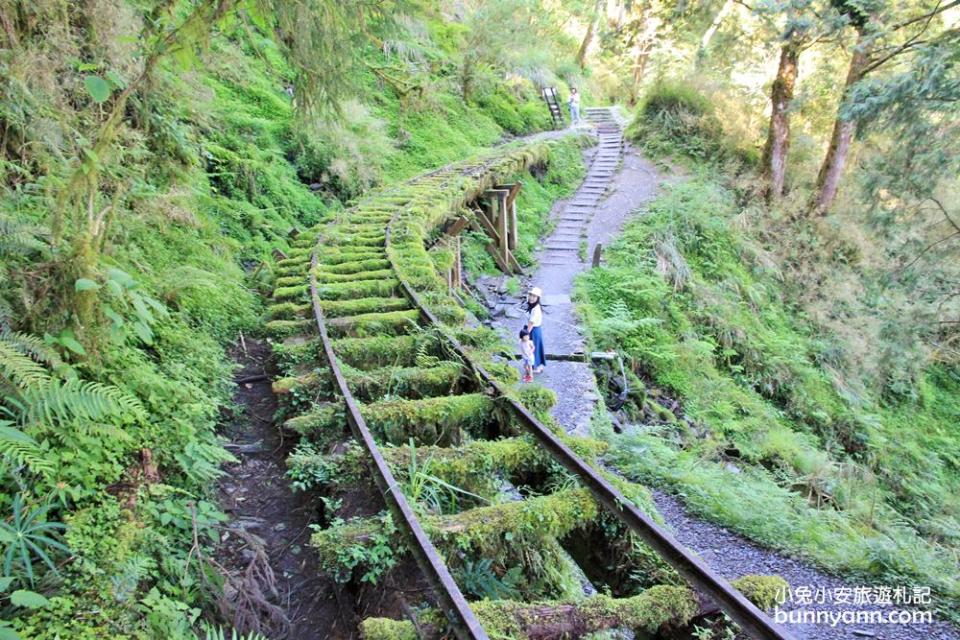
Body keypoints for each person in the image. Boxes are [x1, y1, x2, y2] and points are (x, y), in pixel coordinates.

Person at [524, 287, 545, 373]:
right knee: (535, 347)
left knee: (533, 348)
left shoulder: (536, 309)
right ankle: (538, 365)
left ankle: (537, 367)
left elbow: (531, 323)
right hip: (535, 330)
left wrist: (526, 333)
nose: (532, 298)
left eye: (534, 296)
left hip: (534, 330)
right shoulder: (533, 306)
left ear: (538, 298)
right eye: (531, 295)